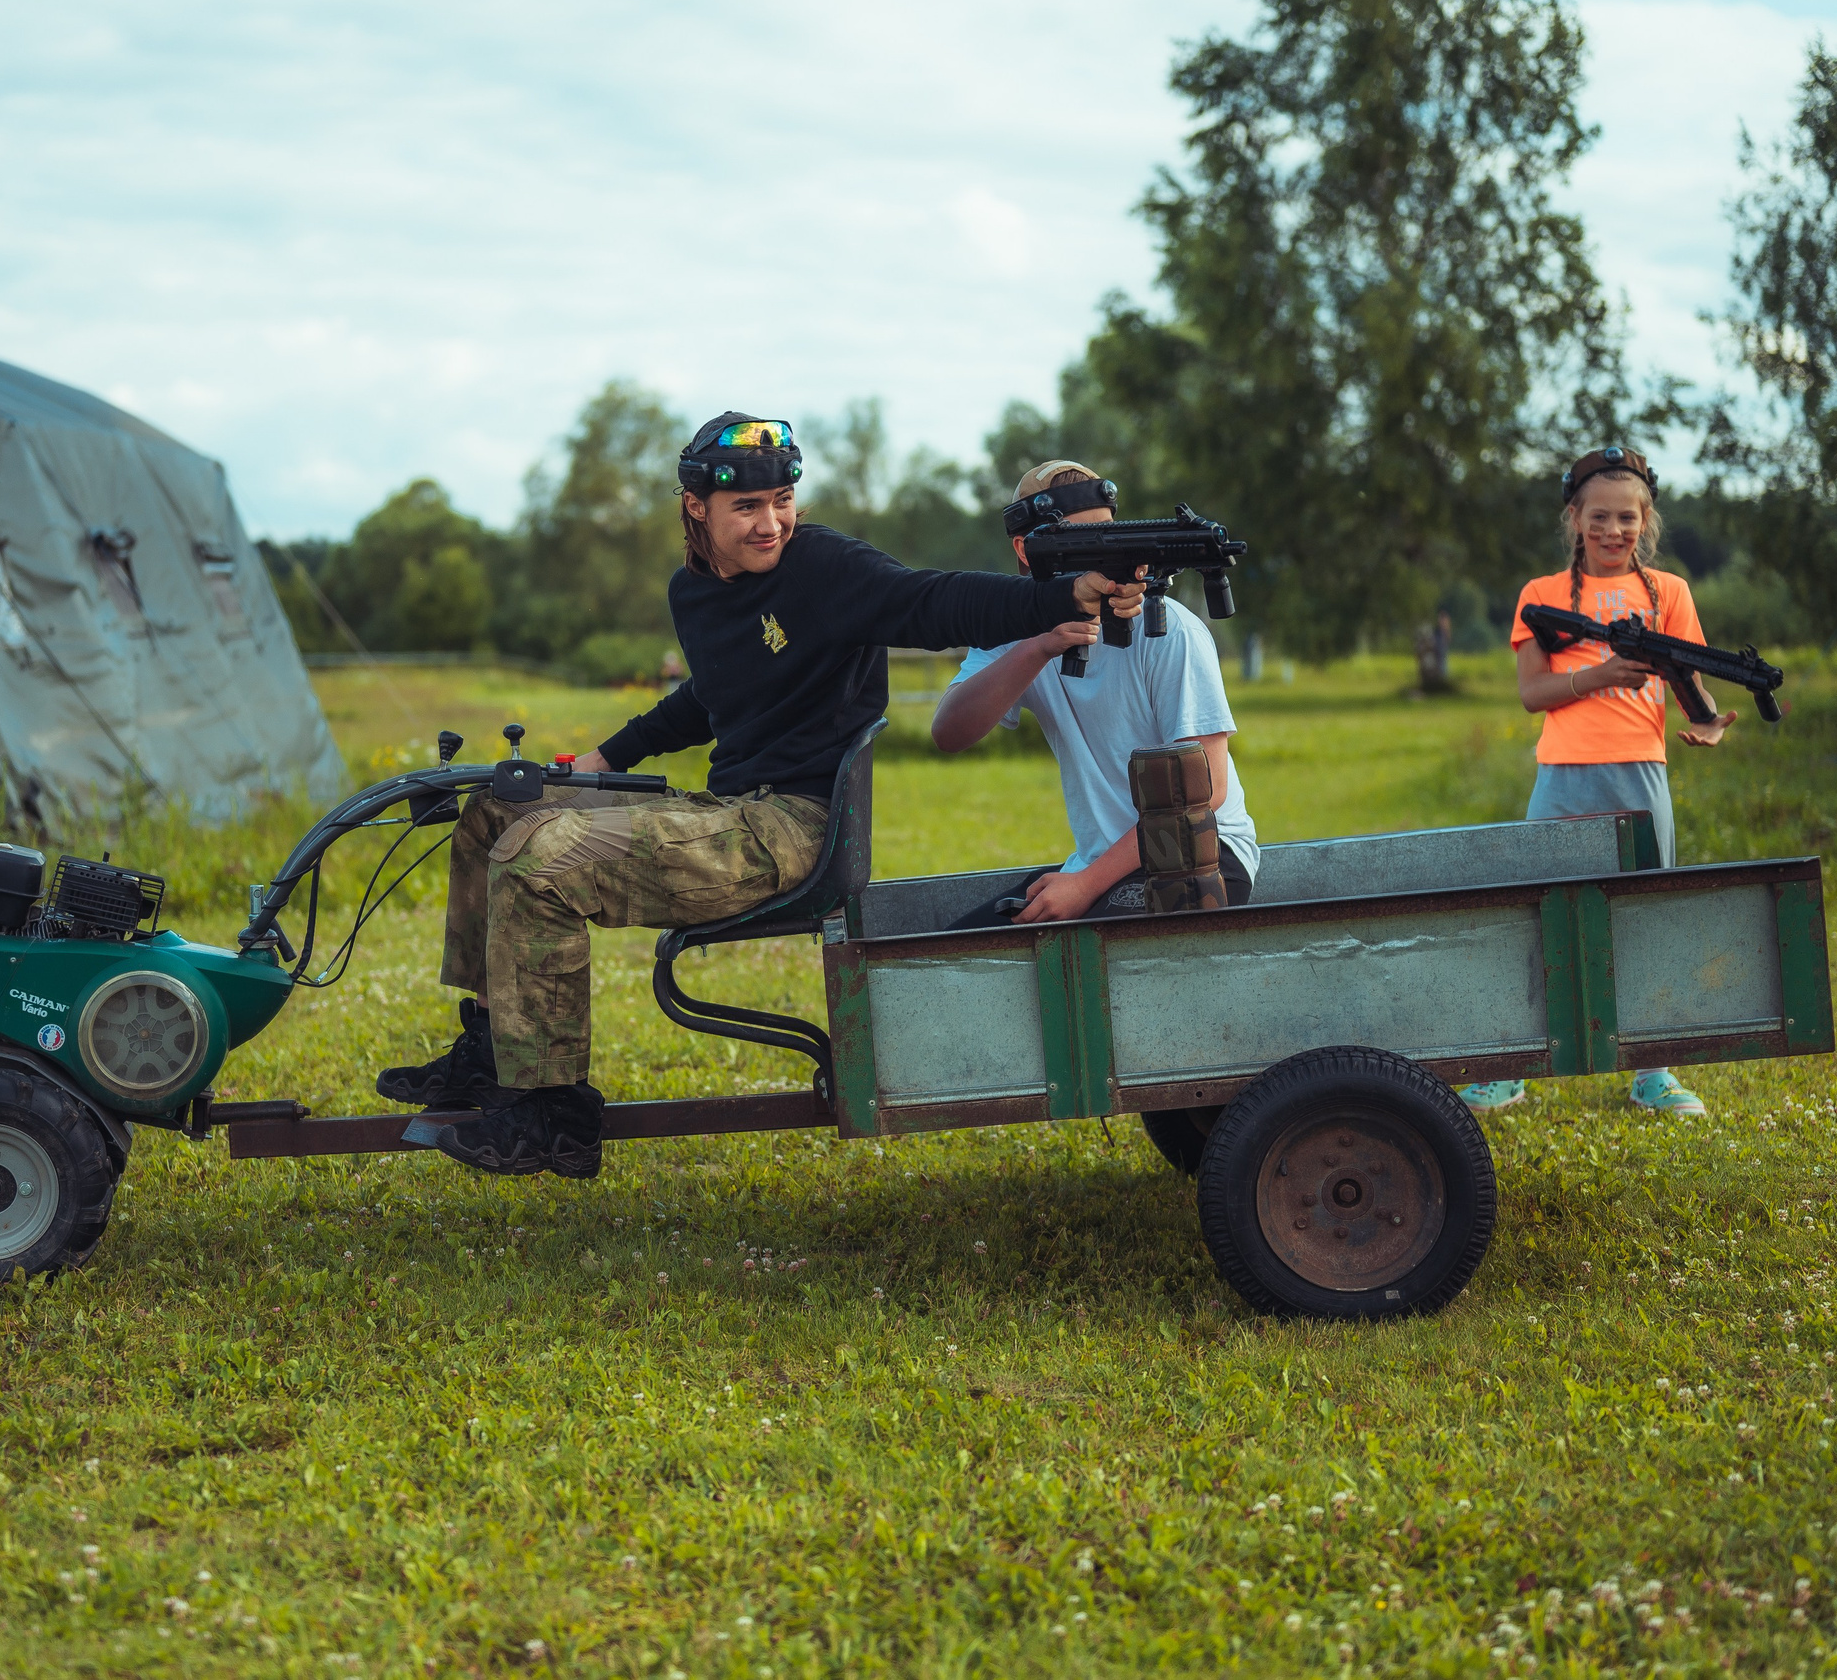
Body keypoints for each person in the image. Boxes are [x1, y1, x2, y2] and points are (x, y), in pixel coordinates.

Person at [375, 415, 1146, 1178]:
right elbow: (708, 695)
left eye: (781, 500)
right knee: (495, 812)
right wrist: (602, 760)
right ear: (695, 508)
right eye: (747, 507)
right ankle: (489, 1045)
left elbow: (931, 601)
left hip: (792, 829)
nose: (771, 522)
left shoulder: (825, 569)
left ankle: (551, 1114)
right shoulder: (696, 593)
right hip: (728, 812)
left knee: (544, 857)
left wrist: (1060, 598)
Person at [1458, 445, 1734, 1118]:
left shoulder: (1669, 593)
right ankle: (1509, 1066)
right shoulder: (1542, 597)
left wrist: (1711, 723)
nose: (1614, 531)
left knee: (1646, 915)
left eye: (1628, 518)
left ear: (1647, 521)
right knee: (1534, 915)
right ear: (1574, 517)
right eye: (1600, 517)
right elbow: (1532, 693)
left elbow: (1689, 678)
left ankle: (1654, 1072)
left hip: (1641, 774)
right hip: (1562, 776)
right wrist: (1599, 676)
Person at [927, 462, 1258, 921]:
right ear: (1026, 549)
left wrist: (1085, 885)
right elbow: (949, 732)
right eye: (1080, 545)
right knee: (966, 946)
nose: (1103, 560)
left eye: (1110, 539)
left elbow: (1207, 789)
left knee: (1096, 935)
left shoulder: (1171, 631)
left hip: (1203, 853)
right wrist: (1042, 644)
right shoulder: (1015, 629)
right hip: (1103, 866)